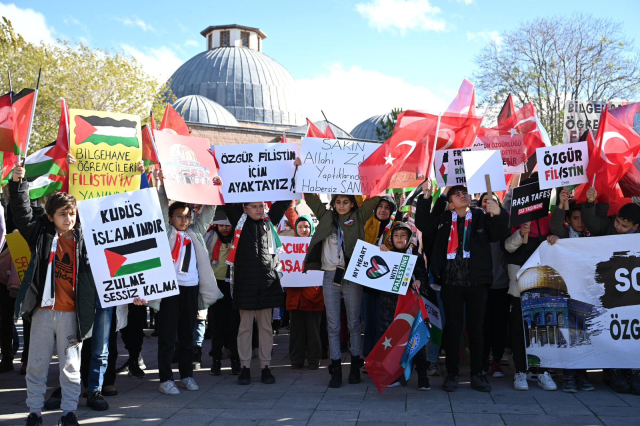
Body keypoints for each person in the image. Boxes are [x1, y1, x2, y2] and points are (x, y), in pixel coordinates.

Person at [11, 163, 96, 426]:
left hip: (72, 315)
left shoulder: (86, 239)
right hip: (42, 313)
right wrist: (18, 185)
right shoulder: (40, 234)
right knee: (36, 365)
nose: (68, 219)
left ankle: (69, 413)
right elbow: (22, 213)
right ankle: (34, 412)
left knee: (71, 368)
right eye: (62, 214)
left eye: (71, 214)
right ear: (50, 217)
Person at [416, 182, 509, 393]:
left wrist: (499, 213)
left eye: (464, 192)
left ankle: (478, 374)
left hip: (477, 284)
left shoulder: (481, 216)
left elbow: (498, 233)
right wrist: (428, 197)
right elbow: (423, 223)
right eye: (456, 194)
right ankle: (452, 374)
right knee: (453, 330)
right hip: (451, 284)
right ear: (450, 204)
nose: (462, 195)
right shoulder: (444, 220)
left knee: (476, 330)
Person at [136, 172, 222, 396]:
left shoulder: (195, 233)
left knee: (187, 335)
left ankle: (186, 376)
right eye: (179, 216)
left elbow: (208, 214)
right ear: (171, 218)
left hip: (191, 289)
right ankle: (165, 379)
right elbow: (162, 208)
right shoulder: (166, 232)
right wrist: (164, 186)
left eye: (187, 216)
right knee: (167, 335)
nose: (184, 220)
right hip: (169, 290)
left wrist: (213, 191)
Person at [302, 171, 380, 388]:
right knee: (333, 325)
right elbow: (309, 196)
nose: (342, 205)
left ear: (353, 204)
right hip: (330, 275)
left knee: (354, 323)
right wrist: (302, 170)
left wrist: (379, 175)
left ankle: (355, 364)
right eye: (338, 201)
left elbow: (374, 199)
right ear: (333, 203)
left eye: (346, 202)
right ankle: (335, 367)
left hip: (352, 275)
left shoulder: (359, 216)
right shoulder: (326, 216)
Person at [223, 199, 292, 385]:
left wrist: (294, 172)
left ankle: (265, 367)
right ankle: (244, 367)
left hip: (267, 285)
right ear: (244, 208)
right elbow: (229, 202)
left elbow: (284, 200)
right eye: (254, 206)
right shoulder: (238, 219)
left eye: (261, 206)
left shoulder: (270, 221)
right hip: (245, 285)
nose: (260, 209)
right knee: (244, 328)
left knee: (266, 329)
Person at [581, 187, 640, 395]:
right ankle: (613, 370)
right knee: (610, 328)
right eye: (618, 222)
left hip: (633, 296)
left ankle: (634, 370)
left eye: (625, 226)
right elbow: (593, 223)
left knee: (632, 331)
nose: (619, 227)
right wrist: (589, 204)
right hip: (609, 294)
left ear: (636, 227)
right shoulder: (608, 227)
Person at [547, 188, 595, 393]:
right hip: (566, 292)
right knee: (568, 332)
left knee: (584, 334)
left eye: (583, 218)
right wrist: (560, 205)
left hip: (587, 292)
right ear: (569, 219)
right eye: (576, 218)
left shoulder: (594, 235)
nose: (580, 222)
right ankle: (568, 376)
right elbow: (556, 227)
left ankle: (582, 375)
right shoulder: (564, 234)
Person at [379, 221, 430, 390]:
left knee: (416, 340)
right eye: (396, 235)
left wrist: (419, 281)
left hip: (410, 306)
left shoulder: (416, 256)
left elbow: (423, 276)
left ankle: (423, 376)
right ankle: (397, 375)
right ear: (391, 238)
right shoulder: (387, 254)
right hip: (391, 306)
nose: (399, 239)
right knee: (395, 340)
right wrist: (382, 253)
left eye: (403, 236)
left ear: (410, 238)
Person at [362, 196, 400, 360]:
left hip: (386, 286)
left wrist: (389, 251)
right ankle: (368, 357)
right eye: (380, 206)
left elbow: (404, 250)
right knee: (368, 322)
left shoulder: (397, 227)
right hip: (367, 283)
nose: (383, 210)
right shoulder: (366, 224)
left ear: (391, 211)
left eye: (387, 207)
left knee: (382, 323)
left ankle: (380, 358)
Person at [478, 192, 510, 379]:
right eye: (484, 201)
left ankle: (496, 362)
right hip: (481, 286)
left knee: (499, 326)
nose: (488, 204)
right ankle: (482, 361)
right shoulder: (476, 226)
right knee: (481, 326)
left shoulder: (504, 227)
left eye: (493, 201)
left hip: (502, 285)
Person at [204, 213, 241, 376]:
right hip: (215, 285)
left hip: (233, 285)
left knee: (234, 327)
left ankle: (235, 360)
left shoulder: (238, 238)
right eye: (221, 225)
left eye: (227, 225)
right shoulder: (210, 237)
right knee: (216, 326)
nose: (224, 228)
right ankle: (216, 360)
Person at [287, 215, 324, 370]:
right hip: (294, 296)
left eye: (306, 227)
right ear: (296, 229)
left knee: (314, 331)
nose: (303, 229)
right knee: (296, 331)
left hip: (313, 295)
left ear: (311, 229)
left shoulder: (318, 246)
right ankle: (296, 360)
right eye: (300, 226)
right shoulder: (288, 247)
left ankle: (314, 360)